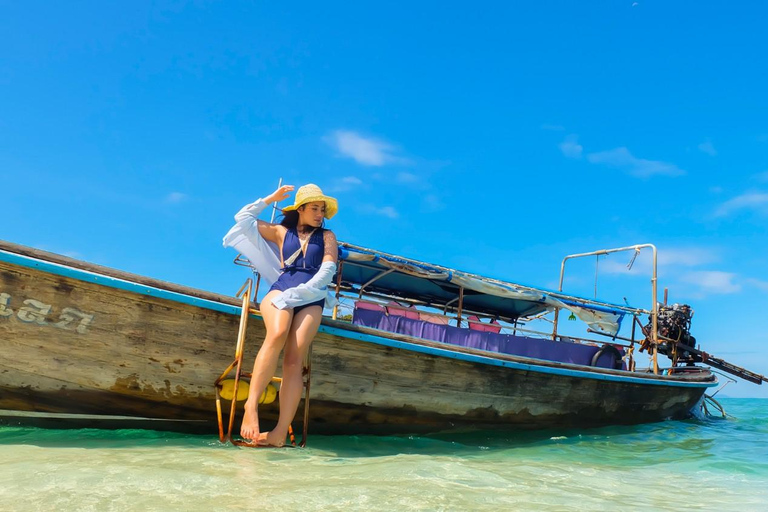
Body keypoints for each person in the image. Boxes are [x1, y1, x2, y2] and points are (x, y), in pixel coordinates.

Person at [223, 183, 338, 446]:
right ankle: (251, 407)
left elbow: (329, 269)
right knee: (276, 333)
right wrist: (269, 199)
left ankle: (278, 434)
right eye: (314, 208)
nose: (320, 214)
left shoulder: (328, 236)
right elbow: (243, 219)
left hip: (312, 295)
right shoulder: (280, 232)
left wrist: (304, 293)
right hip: (282, 288)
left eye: (322, 209)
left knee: (294, 357)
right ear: (300, 209)